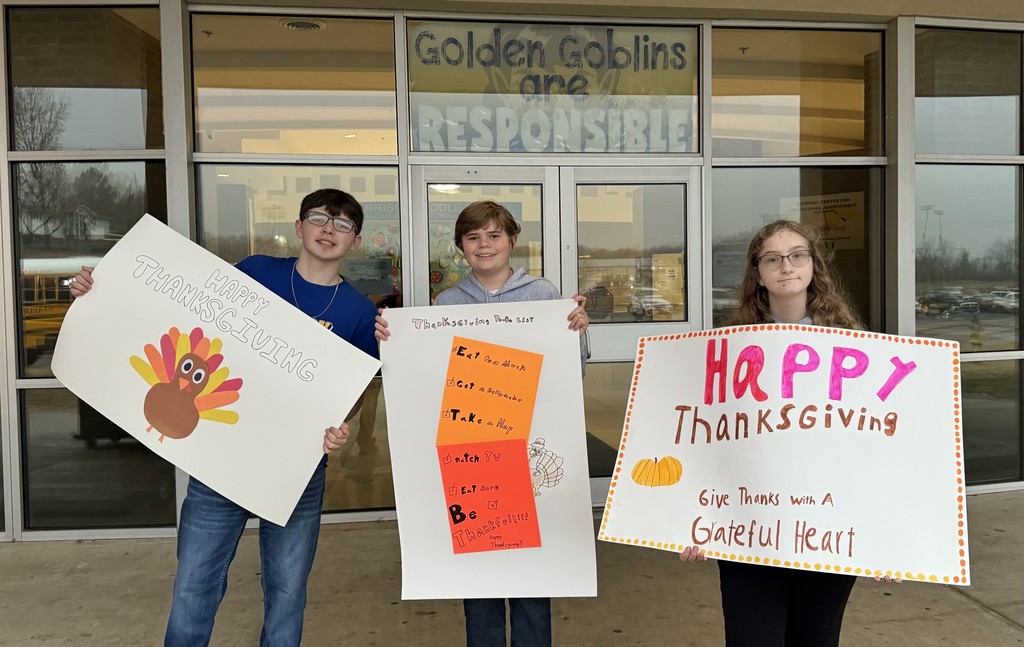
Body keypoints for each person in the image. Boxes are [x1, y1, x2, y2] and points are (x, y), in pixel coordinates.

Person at [69, 188, 379, 647]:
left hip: (295, 468)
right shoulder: (255, 271)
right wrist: (102, 290)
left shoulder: (359, 311)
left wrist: (339, 427)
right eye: (318, 218)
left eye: (343, 225)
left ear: (355, 242)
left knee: (288, 589)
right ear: (298, 227)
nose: (328, 230)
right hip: (221, 462)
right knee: (195, 582)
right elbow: (182, 309)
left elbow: (349, 394)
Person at [375, 200, 589, 647]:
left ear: (512, 240)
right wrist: (395, 342)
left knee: (532, 575)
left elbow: (574, 372)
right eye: (473, 237)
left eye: (494, 235)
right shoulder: (447, 302)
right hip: (471, 454)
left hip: (529, 448)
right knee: (478, 577)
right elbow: (432, 377)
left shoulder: (544, 294)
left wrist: (578, 332)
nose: (484, 245)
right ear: (460, 247)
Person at [680, 218, 892, 647]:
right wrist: (688, 517)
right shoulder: (729, 350)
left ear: (814, 265)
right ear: (757, 273)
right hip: (749, 532)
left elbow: (877, 450)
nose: (786, 266)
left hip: (827, 535)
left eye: (797, 255)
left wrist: (889, 535)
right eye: (772, 259)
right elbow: (705, 443)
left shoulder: (855, 350)